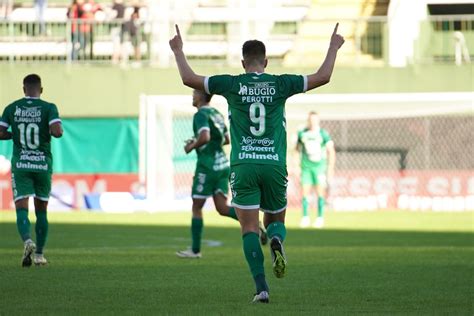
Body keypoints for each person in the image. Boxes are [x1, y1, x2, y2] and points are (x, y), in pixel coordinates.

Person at [169, 23, 344, 303]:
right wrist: (333, 46)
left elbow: (189, 78)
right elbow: (323, 76)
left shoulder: (231, 83)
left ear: (242, 62)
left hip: (243, 166)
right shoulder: (280, 82)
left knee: (249, 228)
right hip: (274, 164)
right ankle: (276, 240)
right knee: (276, 222)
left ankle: (261, 288)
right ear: (265, 61)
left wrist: (178, 50)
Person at [176, 89, 262, 258]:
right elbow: (226, 139)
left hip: (207, 167)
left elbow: (205, 136)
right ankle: (254, 224)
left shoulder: (200, 114)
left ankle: (195, 250)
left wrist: (191, 146)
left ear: (201, 96)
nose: (192, 96)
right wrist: (201, 142)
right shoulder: (216, 113)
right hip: (223, 165)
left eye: (194, 93)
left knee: (196, 206)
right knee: (222, 208)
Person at [0, 74, 63, 267]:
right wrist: (49, 130)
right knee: (41, 211)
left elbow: (0, 133)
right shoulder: (49, 108)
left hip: (21, 165)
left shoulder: (12, 108)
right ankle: (39, 255)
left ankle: (27, 240)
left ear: (23, 89)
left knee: (21, 208)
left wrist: (15, 134)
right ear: (41, 90)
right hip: (42, 165)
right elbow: (57, 131)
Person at [296, 111, 335, 228]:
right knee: (305, 193)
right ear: (308, 120)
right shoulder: (302, 133)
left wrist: (330, 168)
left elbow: (331, 151)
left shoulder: (323, 134)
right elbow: (297, 150)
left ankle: (320, 217)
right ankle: (305, 217)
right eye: (311, 119)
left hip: (319, 167)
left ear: (318, 121)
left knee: (320, 193)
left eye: (315, 119)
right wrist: (296, 166)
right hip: (306, 167)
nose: (312, 122)